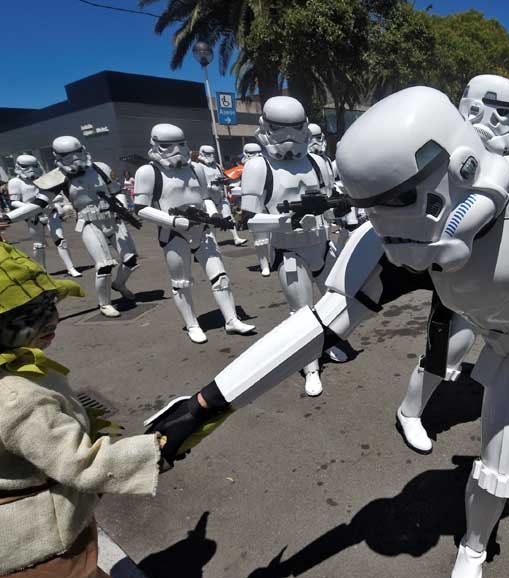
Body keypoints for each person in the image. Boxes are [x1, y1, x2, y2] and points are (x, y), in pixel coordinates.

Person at [146, 86, 509, 578]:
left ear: (460, 165)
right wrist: (206, 405)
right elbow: (319, 324)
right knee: (498, 466)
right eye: (377, 209)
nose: (396, 229)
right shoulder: (388, 238)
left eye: (405, 200)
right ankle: (474, 547)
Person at [0, 238, 164, 578]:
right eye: (25, 316)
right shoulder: (17, 397)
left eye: (48, 305)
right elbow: (83, 464)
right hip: (39, 537)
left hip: (1, 532)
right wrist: (160, 449)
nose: (51, 319)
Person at [395, 74, 509, 454]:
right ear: (471, 109)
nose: (503, 123)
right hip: (459, 277)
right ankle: (410, 411)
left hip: (508, 275)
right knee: (448, 349)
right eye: (497, 112)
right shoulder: (443, 160)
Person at [239, 97, 348, 396]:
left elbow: (330, 200)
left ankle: (328, 342)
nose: (288, 137)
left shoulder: (318, 163)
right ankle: (310, 366)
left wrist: (338, 212)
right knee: (301, 313)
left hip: (322, 244)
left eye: (294, 128)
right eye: (279, 129)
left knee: (336, 303)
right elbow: (248, 219)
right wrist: (284, 222)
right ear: (265, 127)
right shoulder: (258, 167)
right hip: (290, 250)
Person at [133, 125, 255, 344]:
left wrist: (214, 214)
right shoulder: (148, 172)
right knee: (182, 283)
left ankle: (231, 320)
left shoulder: (196, 169)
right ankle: (192, 324)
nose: (177, 150)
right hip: (173, 234)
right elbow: (140, 208)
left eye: (181, 144)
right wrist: (172, 221)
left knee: (220, 276)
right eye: (168, 146)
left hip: (202, 229)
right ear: (156, 145)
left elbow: (205, 197)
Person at [7, 136, 140, 318]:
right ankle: (105, 303)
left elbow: (117, 190)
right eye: (68, 155)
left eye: (77, 153)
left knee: (131, 260)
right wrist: (8, 218)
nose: (75, 159)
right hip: (89, 221)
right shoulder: (57, 177)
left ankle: (119, 284)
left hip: (113, 218)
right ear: (58, 157)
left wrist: (122, 206)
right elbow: (39, 203)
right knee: (104, 265)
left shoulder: (100, 168)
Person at [7, 154, 82, 277]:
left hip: (50, 212)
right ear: (19, 167)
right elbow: (14, 202)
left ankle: (71, 267)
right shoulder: (15, 182)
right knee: (39, 245)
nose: (32, 169)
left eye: (34, 166)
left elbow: (56, 195)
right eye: (26, 166)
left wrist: (56, 204)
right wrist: (30, 209)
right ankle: (42, 270)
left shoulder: (44, 178)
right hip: (33, 216)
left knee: (61, 240)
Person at [193, 145, 249, 246]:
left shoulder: (217, 166)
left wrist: (225, 182)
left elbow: (223, 176)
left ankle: (236, 238)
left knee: (229, 217)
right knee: (212, 221)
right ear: (202, 154)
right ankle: (212, 242)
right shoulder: (198, 167)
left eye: (212, 154)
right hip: (208, 198)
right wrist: (210, 185)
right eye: (208, 154)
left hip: (220, 196)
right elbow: (197, 183)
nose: (211, 156)